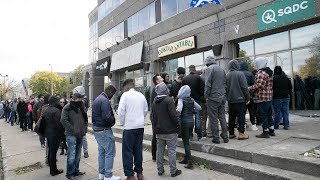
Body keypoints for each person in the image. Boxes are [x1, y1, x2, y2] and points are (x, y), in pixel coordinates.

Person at [117, 79, 148, 180]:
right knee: (138, 150)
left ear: (126, 87)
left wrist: (123, 122)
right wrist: (140, 119)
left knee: (127, 151)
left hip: (129, 127)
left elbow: (121, 111)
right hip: (140, 126)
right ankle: (139, 173)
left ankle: (130, 175)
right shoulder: (141, 95)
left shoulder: (125, 95)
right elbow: (145, 110)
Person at [151, 82, 182, 177]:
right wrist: (178, 126)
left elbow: (152, 117)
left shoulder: (154, 101)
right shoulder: (169, 100)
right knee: (171, 150)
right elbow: (173, 115)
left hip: (159, 131)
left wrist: (155, 128)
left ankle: (160, 170)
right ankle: (173, 171)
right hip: (170, 131)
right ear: (165, 90)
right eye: (167, 89)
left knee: (159, 150)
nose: (169, 90)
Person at [92, 85, 120, 180]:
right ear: (110, 92)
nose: (112, 97)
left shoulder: (97, 99)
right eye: (113, 95)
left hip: (97, 130)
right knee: (109, 153)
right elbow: (107, 116)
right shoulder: (104, 101)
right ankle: (108, 175)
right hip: (104, 130)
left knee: (102, 152)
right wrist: (113, 121)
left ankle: (101, 174)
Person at [60, 86, 88, 179]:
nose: (80, 100)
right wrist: (72, 129)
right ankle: (70, 174)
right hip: (71, 135)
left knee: (77, 155)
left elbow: (85, 118)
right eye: (79, 98)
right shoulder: (67, 107)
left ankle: (76, 171)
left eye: (81, 98)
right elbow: (63, 120)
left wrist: (84, 129)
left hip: (80, 134)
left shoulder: (82, 105)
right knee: (71, 155)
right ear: (74, 97)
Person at [203, 56, 228, 144]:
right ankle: (225, 136)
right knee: (222, 117)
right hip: (222, 97)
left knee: (213, 118)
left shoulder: (209, 69)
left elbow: (208, 84)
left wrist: (206, 96)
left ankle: (216, 138)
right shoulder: (221, 69)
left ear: (207, 62)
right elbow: (225, 83)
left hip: (213, 98)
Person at [176, 85, 201, 169]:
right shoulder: (192, 100)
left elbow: (179, 110)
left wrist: (176, 115)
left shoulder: (181, 100)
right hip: (191, 122)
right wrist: (193, 111)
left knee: (185, 142)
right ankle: (186, 158)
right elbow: (199, 108)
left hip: (184, 122)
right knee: (187, 140)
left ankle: (189, 162)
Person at [249, 57, 274, 138]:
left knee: (262, 115)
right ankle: (271, 130)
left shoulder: (261, 72)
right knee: (269, 114)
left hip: (261, 98)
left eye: (256, 63)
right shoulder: (269, 72)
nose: (255, 65)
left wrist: (249, 88)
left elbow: (259, 85)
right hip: (268, 97)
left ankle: (265, 132)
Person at [226, 60, 250, 140]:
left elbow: (225, 88)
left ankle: (231, 133)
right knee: (241, 117)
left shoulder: (227, 75)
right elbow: (244, 87)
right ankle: (241, 133)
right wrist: (247, 98)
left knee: (231, 117)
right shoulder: (240, 74)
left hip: (230, 100)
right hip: (240, 100)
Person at [42, 95, 64, 176]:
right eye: (58, 101)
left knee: (51, 151)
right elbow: (59, 124)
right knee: (53, 152)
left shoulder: (47, 110)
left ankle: (52, 169)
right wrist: (62, 133)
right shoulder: (56, 111)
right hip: (55, 134)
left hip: (48, 133)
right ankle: (54, 170)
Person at [182, 65, 204, 140]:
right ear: (194, 70)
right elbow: (202, 89)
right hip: (197, 99)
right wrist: (200, 96)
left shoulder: (185, 79)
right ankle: (199, 135)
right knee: (198, 117)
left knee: (189, 117)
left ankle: (190, 135)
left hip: (188, 100)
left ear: (189, 70)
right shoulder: (199, 78)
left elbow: (183, 90)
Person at [239, 61, 258, 131]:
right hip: (249, 95)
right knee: (251, 110)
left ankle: (243, 125)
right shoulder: (250, 74)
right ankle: (253, 125)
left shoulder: (239, 74)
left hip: (241, 96)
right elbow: (254, 84)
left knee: (242, 111)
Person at [150, 74, 164, 162]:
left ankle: (156, 156)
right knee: (156, 137)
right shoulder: (156, 90)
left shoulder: (157, 89)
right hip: (156, 117)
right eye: (160, 78)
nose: (162, 79)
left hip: (156, 116)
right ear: (157, 81)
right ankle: (156, 156)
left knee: (156, 136)